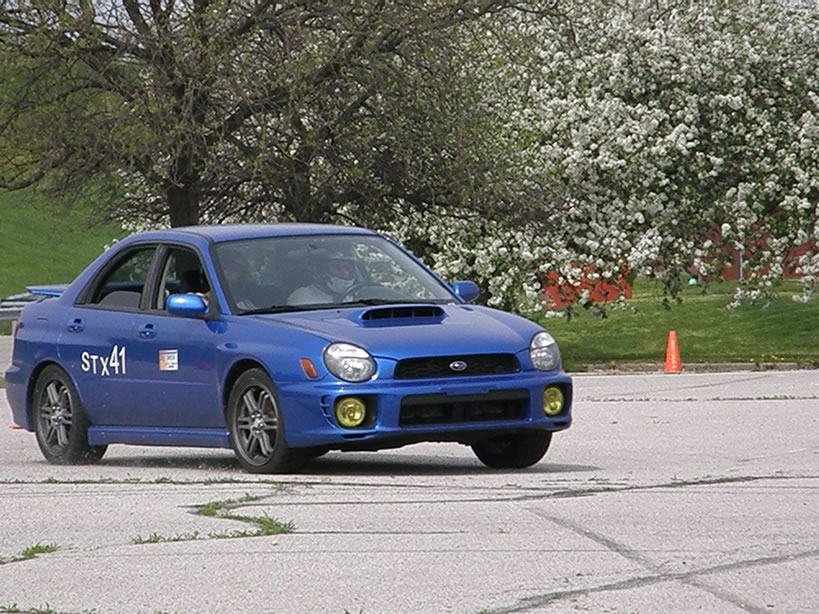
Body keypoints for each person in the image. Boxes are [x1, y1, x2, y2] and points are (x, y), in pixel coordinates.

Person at [287, 249, 358, 305]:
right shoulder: (302, 298)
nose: (345, 273)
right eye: (337, 268)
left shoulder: (357, 296)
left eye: (348, 268)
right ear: (321, 271)